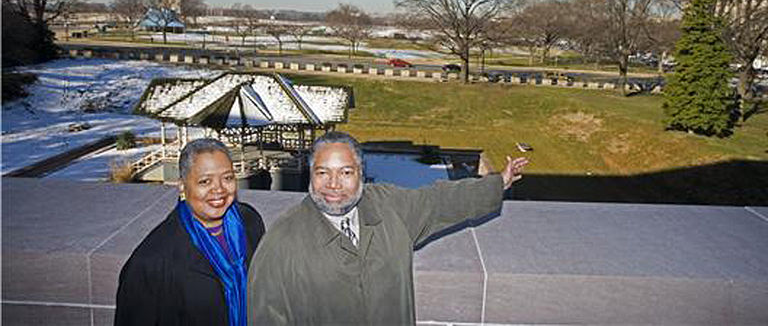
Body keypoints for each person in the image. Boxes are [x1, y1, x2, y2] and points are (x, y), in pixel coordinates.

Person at [247, 131, 528, 325]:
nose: (333, 184)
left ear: (361, 174)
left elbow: (440, 201)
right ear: (311, 174)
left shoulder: (390, 207)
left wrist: (497, 183)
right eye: (323, 172)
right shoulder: (282, 240)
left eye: (346, 172)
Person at [115, 138, 265, 326]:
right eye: (205, 181)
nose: (218, 189)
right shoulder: (152, 261)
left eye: (227, 178)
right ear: (182, 185)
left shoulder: (250, 223)